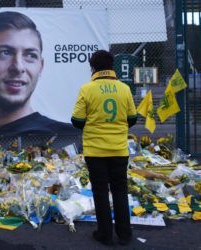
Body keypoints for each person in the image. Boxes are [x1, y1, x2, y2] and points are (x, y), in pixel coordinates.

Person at [0, 11, 79, 137]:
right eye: (5, 52)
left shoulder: (70, 139)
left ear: (40, 66)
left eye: (30, 55)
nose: (18, 67)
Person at [71, 50, 137, 246]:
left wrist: (93, 125)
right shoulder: (124, 89)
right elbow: (132, 118)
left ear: (92, 67)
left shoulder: (87, 89)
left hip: (95, 151)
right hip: (118, 149)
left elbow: (77, 120)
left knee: (100, 192)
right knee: (120, 190)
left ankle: (105, 234)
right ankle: (125, 235)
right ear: (112, 67)